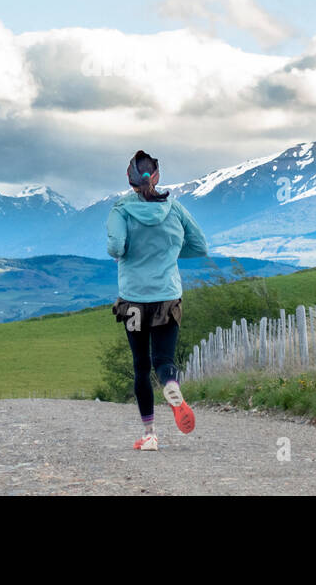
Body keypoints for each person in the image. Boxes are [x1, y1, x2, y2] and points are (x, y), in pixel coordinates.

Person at [106, 149, 209, 451]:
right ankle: (172, 387)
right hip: (167, 298)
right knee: (163, 361)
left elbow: (115, 246)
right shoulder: (175, 209)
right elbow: (200, 246)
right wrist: (169, 254)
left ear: (129, 179)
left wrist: (123, 253)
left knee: (140, 366)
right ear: (157, 176)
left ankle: (150, 434)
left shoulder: (120, 211)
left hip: (134, 302)